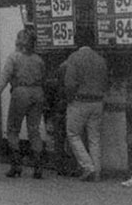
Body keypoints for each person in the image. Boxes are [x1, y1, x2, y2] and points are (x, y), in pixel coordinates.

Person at [0, 28, 46, 178]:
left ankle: (16, 165)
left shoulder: (14, 57)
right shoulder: (38, 59)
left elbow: (5, 77)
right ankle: (38, 167)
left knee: (13, 128)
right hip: (38, 92)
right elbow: (43, 78)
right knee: (34, 130)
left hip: (20, 92)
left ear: (18, 41)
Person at [62, 24, 107, 182]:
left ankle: (88, 166)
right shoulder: (100, 59)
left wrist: (69, 99)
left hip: (80, 101)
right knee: (94, 137)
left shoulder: (74, 58)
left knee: (73, 134)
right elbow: (105, 82)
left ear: (77, 41)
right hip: (98, 102)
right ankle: (97, 171)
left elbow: (69, 83)